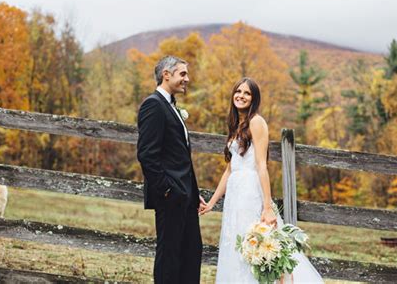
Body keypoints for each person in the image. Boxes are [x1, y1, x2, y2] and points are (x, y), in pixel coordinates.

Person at [200, 77, 323, 283]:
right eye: (238, 91)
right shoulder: (235, 124)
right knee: (235, 242)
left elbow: (261, 165)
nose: (241, 96)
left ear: (254, 98)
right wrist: (212, 202)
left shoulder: (257, 122)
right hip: (234, 195)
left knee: (255, 243)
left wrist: (267, 207)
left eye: (247, 93)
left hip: (250, 191)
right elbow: (230, 169)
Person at [137, 55, 206, 284]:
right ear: (166, 75)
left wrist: (193, 194)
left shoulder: (171, 106)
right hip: (170, 197)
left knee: (191, 253)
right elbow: (147, 155)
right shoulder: (153, 105)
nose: (187, 79)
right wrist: (167, 190)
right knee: (169, 257)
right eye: (182, 74)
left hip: (185, 198)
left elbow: (181, 158)